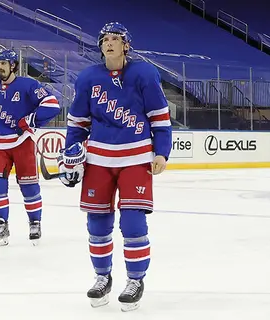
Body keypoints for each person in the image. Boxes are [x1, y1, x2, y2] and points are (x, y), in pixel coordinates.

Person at [57, 22, 172, 312]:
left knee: (133, 223)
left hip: (136, 157)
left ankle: (135, 280)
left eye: (114, 39)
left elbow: (159, 117)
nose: (108, 43)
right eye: (104, 39)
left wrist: (162, 152)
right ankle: (101, 277)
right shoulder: (87, 78)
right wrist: (71, 153)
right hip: (99, 159)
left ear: (126, 45)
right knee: (97, 224)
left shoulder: (144, 74)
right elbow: (78, 123)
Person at [0, 49, 61, 246]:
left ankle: (35, 223)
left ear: (13, 65)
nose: (0, 67)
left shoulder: (28, 85)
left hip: (22, 142)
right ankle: (1, 225)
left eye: (4, 64)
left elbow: (52, 104)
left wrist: (32, 119)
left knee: (29, 186)